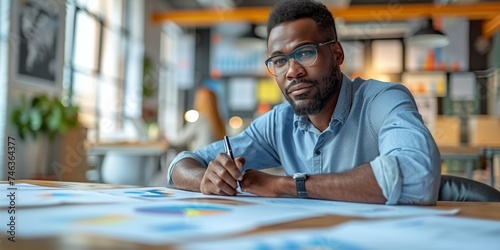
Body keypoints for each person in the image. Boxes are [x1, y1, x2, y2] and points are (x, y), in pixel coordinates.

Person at [167, 0, 441, 205]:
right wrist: (208, 179)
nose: (292, 71)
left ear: (337, 53)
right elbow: (182, 163)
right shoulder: (278, 124)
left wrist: (287, 185)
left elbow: (418, 177)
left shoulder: (383, 100)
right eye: (279, 60)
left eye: (306, 52)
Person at [166, 87, 226, 151]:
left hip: (202, 158)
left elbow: (179, 140)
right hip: (215, 158)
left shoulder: (200, 119)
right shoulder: (219, 120)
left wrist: (166, 136)